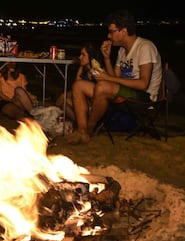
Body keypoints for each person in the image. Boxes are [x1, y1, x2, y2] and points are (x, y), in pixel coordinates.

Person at [66, 10, 162, 144]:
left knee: (103, 86)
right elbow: (114, 78)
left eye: (112, 31)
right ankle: (82, 131)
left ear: (123, 31)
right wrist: (106, 58)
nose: (109, 36)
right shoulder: (122, 51)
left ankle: (88, 129)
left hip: (143, 97)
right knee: (79, 85)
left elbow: (143, 84)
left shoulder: (145, 47)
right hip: (123, 92)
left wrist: (107, 78)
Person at [56, 42, 104, 123]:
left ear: (91, 57)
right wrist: (81, 66)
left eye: (83, 55)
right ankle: (81, 124)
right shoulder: (85, 69)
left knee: (63, 100)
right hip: (84, 101)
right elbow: (76, 84)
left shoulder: (98, 71)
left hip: (94, 106)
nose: (80, 57)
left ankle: (84, 125)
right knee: (62, 100)